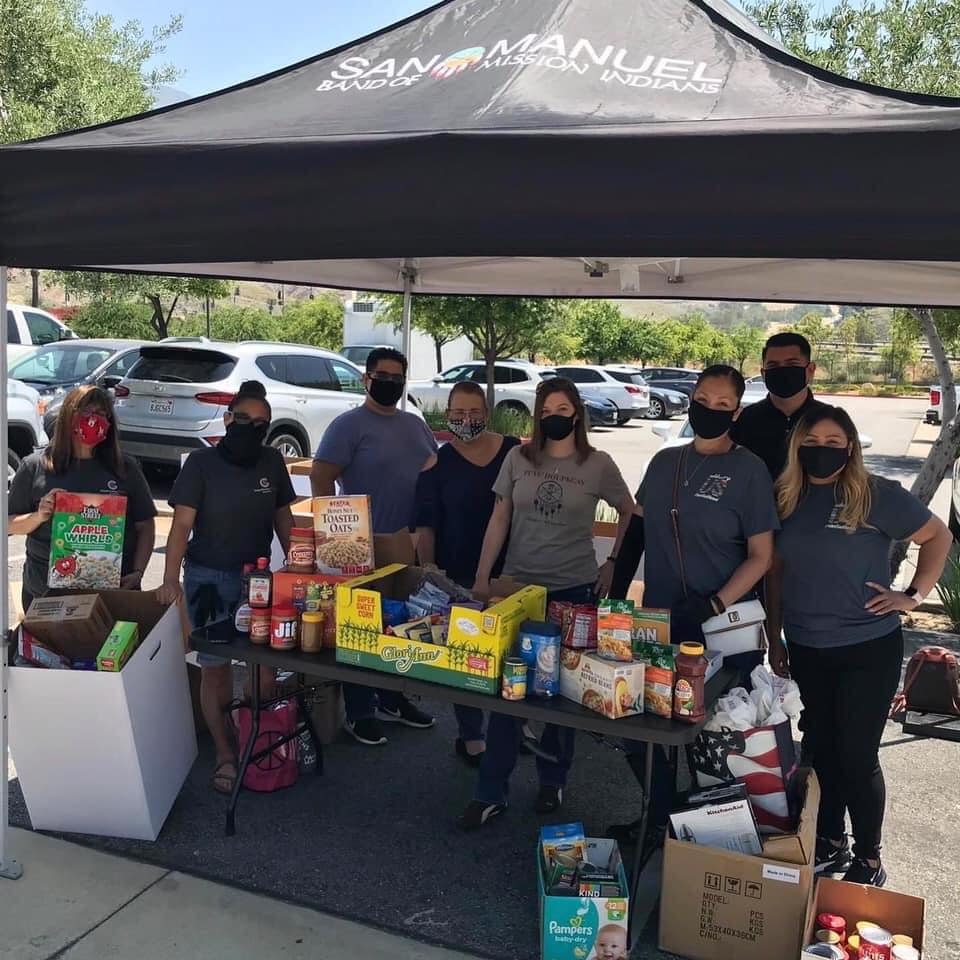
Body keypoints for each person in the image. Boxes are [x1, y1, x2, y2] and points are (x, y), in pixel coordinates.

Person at [766, 405, 950, 886]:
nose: (822, 451)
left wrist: (911, 596)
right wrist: (775, 638)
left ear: (850, 448)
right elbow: (777, 575)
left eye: (833, 443)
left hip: (868, 647)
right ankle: (829, 840)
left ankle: (869, 858)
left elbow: (938, 536)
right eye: (813, 442)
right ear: (797, 446)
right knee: (821, 750)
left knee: (857, 754)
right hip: (807, 645)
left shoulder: (874, 496)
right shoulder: (784, 498)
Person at [609, 366, 778, 835]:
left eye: (723, 404)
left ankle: (711, 832)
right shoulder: (665, 462)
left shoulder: (748, 470)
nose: (711, 409)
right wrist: (615, 591)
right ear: (692, 399)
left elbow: (762, 556)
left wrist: (715, 603)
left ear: (736, 412)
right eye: (705, 398)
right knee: (643, 724)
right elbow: (639, 528)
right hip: (660, 621)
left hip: (722, 626)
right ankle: (661, 814)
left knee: (712, 736)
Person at [459, 378, 635, 828]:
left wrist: (612, 560)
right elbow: (500, 517)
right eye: (546, 409)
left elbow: (629, 510)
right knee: (507, 691)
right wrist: (483, 576)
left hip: (573, 590)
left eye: (562, 407)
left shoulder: (597, 464)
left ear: (576, 412)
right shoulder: (519, 457)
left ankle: (552, 780)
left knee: (559, 696)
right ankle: (490, 790)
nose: (553, 415)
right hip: (519, 591)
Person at [157, 381, 296, 795]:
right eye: (244, 419)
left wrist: (298, 566)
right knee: (214, 669)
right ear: (227, 418)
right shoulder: (200, 463)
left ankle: (257, 737)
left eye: (262, 423)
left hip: (258, 581)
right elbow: (181, 525)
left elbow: (283, 520)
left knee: (264, 668)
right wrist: (168, 580)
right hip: (207, 580)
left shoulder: (272, 462)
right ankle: (224, 752)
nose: (252, 427)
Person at [311, 347, 438, 747]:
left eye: (397, 377)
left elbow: (434, 473)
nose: (390, 382)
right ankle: (360, 709)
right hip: (362, 546)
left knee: (398, 628)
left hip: (407, 542)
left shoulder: (414, 425)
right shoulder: (348, 425)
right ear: (366, 379)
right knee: (359, 630)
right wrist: (338, 534)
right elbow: (321, 477)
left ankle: (392, 698)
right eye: (382, 375)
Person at [412, 380, 520, 766]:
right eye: (458, 412)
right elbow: (424, 526)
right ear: (448, 414)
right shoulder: (436, 464)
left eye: (474, 412)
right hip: (456, 574)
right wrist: (430, 572)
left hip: (512, 572)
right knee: (466, 659)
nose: (466, 419)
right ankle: (471, 735)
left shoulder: (513, 452)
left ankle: (513, 727)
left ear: (486, 413)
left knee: (514, 655)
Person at [9, 384, 156, 611]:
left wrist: (137, 572)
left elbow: (145, 525)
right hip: (45, 591)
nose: (92, 419)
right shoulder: (34, 466)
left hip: (111, 592)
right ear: (68, 415)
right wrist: (39, 516)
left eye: (100, 414)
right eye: (86, 412)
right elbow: (8, 524)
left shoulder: (125, 468)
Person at [731, 332, 831, 479]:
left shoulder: (830, 420)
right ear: (764, 374)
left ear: (810, 370)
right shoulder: (744, 420)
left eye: (792, 364)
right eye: (773, 365)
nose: (783, 371)